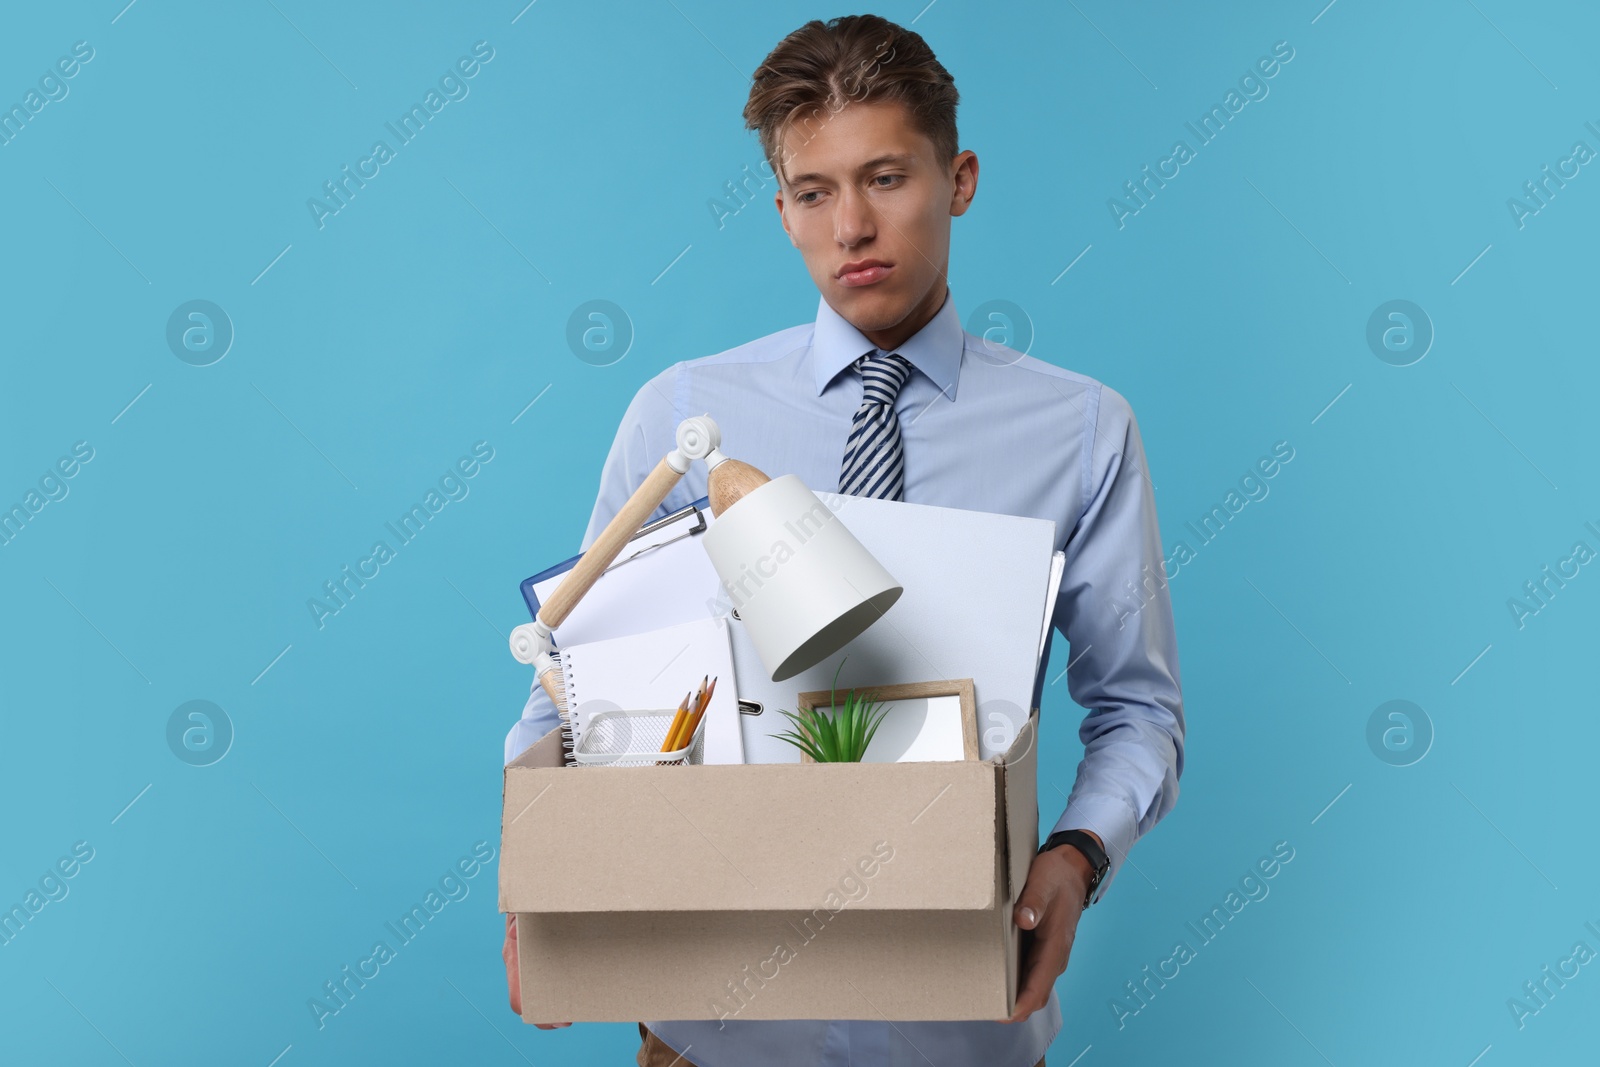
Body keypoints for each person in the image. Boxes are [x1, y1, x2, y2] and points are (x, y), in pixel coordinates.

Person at [501, 14, 1184, 1067]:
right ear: (780, 212)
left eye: (885, 178)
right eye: (814, 192)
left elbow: (1137, 706)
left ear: (957, 179)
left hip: (963, 1028)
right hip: (710, 1036)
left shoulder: (1083, 429)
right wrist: (543, 877)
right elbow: (571, 687)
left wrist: (1077, 854)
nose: (851, 225)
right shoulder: (680, 420)